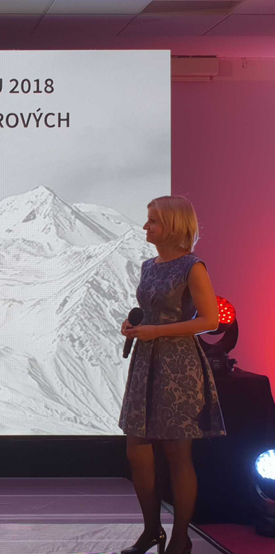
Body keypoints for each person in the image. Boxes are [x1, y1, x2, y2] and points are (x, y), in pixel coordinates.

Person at [118, 196, 225, 554]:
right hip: (146, 361)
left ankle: (181, 538)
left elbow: (210, 320)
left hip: (179, 366)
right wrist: (134, 324)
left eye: (153, 221)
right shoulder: (149, 266)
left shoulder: (193, 266)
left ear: (174, 226)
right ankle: (152, 531)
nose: (145, 227)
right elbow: (151, 310)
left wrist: (157, 331)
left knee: (178, 455)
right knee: (137, 453)